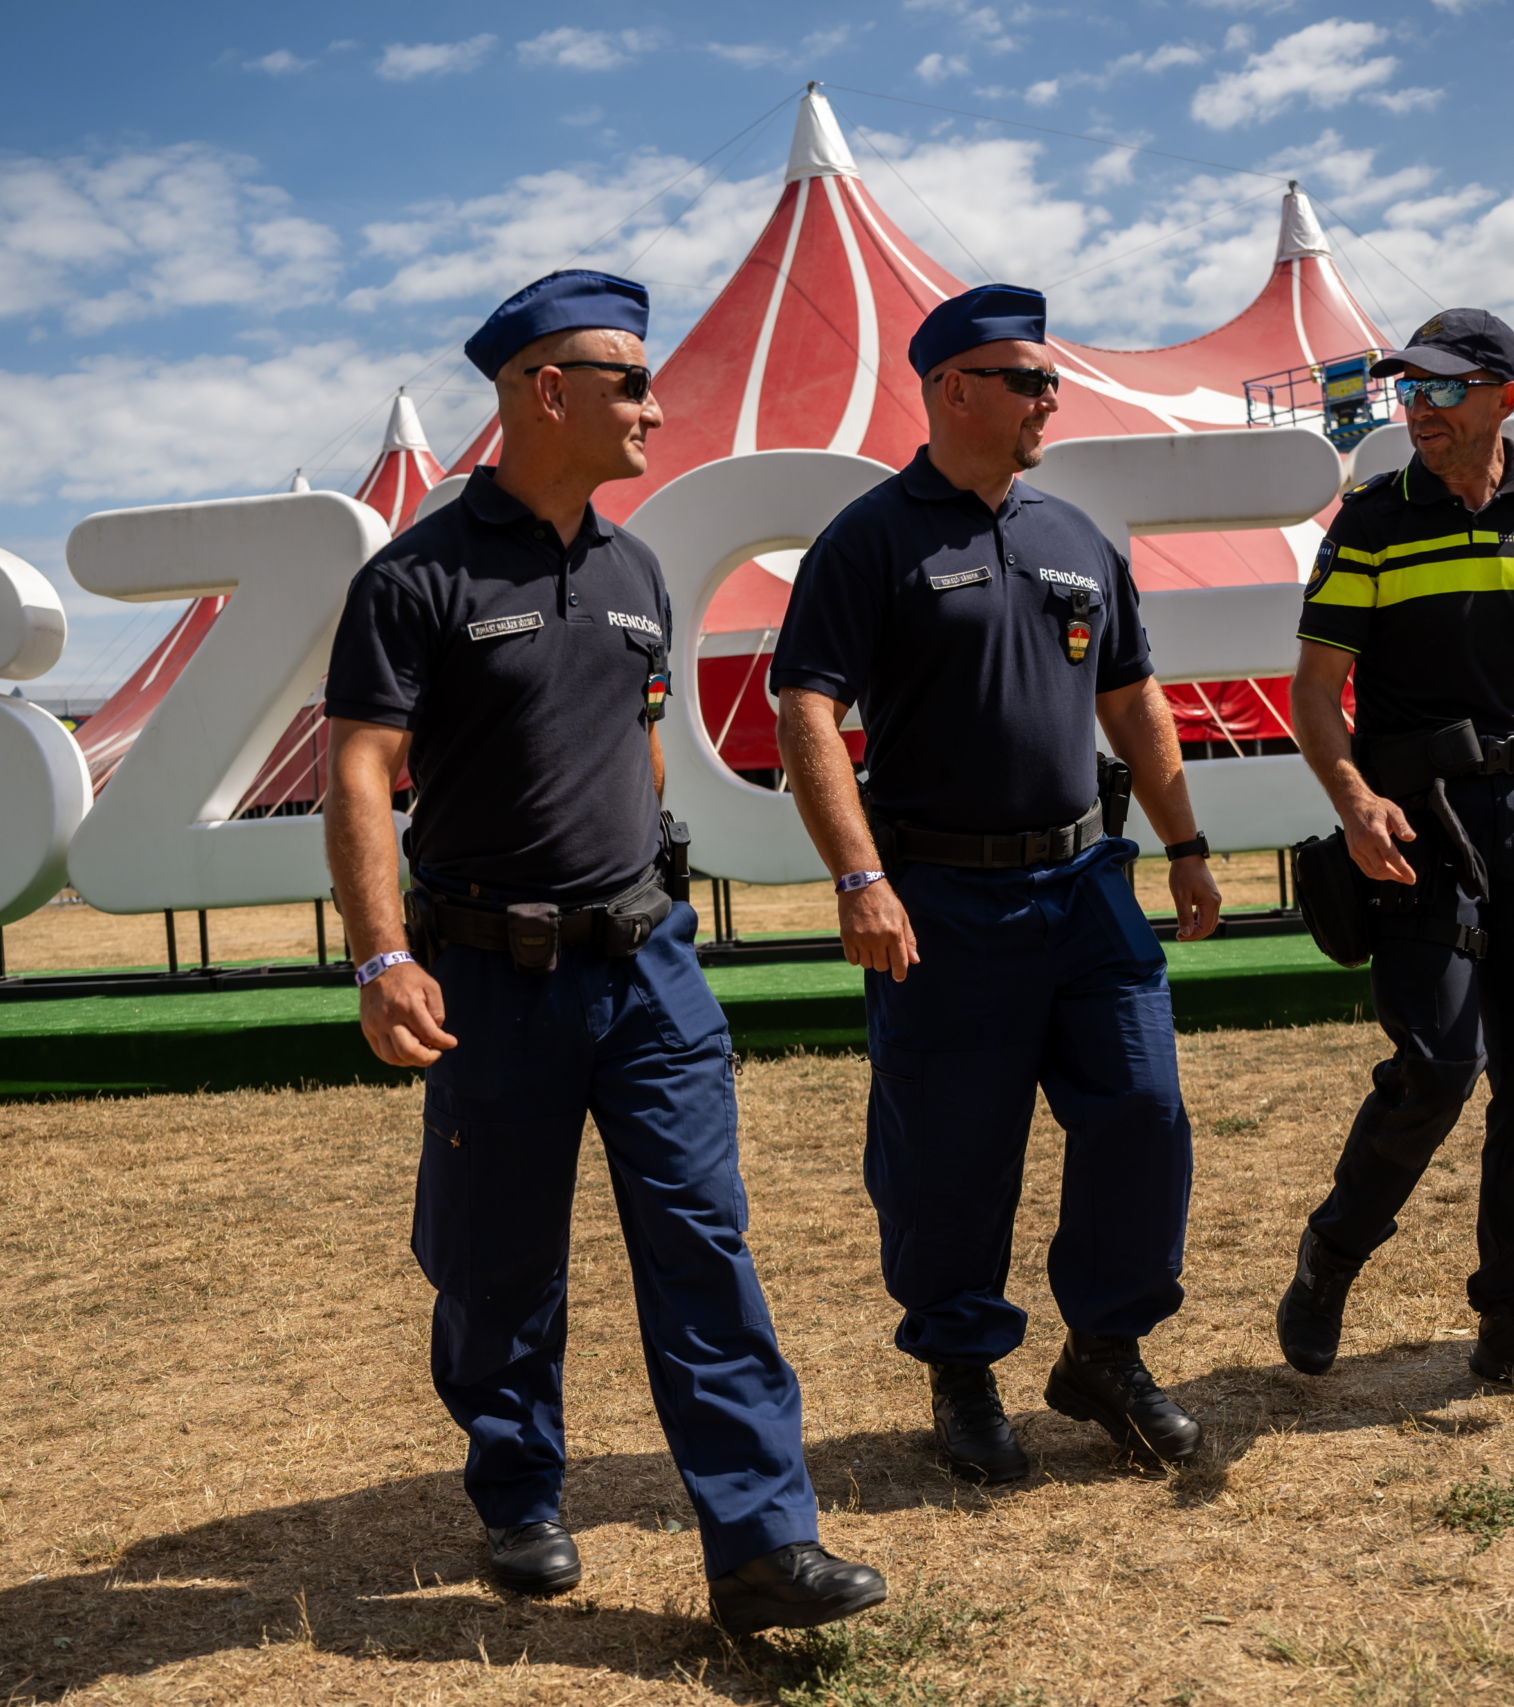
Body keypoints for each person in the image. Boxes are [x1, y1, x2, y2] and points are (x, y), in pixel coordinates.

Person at [320, 269, 885, 1636]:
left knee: (704, 1239)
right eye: (627, 377)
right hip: (488, 973)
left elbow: (633, 738)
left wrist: (655, 870)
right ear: (544, 391)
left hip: (648, 968)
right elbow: (359, 770)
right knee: (499, 1256)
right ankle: (518, 1490)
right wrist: (382, 956)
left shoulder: (637, 572)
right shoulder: (417, 577)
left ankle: (760, 1542)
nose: (653, 399)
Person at [771, 284, 1223, 1484]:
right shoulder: (869, 539)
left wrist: (1183, 846)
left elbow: (1133, 700)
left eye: (1051, 380)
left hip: (1086, 883)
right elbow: (805, 709)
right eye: (1028, 380)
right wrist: (858, 876)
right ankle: (962, 1377)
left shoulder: (1077, 537)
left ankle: (1106, 1352)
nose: (1049, 399)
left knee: (1142, 1111)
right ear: (954, 388)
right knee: (952, 1153)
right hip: (939, 900)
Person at [1275, 309, 1514, 1401]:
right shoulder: (1369, 521)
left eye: (1444, 391)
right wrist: (1353, 802)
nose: (1420, 411)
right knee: (1441, 1066)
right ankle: (1331, 1257)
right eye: (1412, 391)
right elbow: (1314, 694)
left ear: (1503, 396)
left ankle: (1513, 1321)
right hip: (1414, 833)